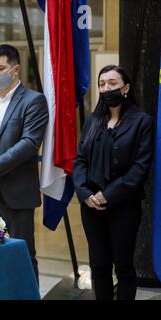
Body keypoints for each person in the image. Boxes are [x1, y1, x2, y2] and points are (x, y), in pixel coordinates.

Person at [73, 65, 153, 300]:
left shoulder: (142, 122)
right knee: (98, 267)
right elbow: (80, 161)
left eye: (112, 83)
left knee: (124, 267)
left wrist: (107, 195)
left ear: (125, 88)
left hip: (123, 206)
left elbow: (140, 168)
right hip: (90, 206)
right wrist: (85, 193)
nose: (106, 88)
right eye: (102, 84)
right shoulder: (92, 121)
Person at [0, 45, 49, 281]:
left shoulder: (34, 101)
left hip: (16, 192)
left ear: (15, 70)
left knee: (21, 255)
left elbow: (29, 143)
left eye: (1, 68)